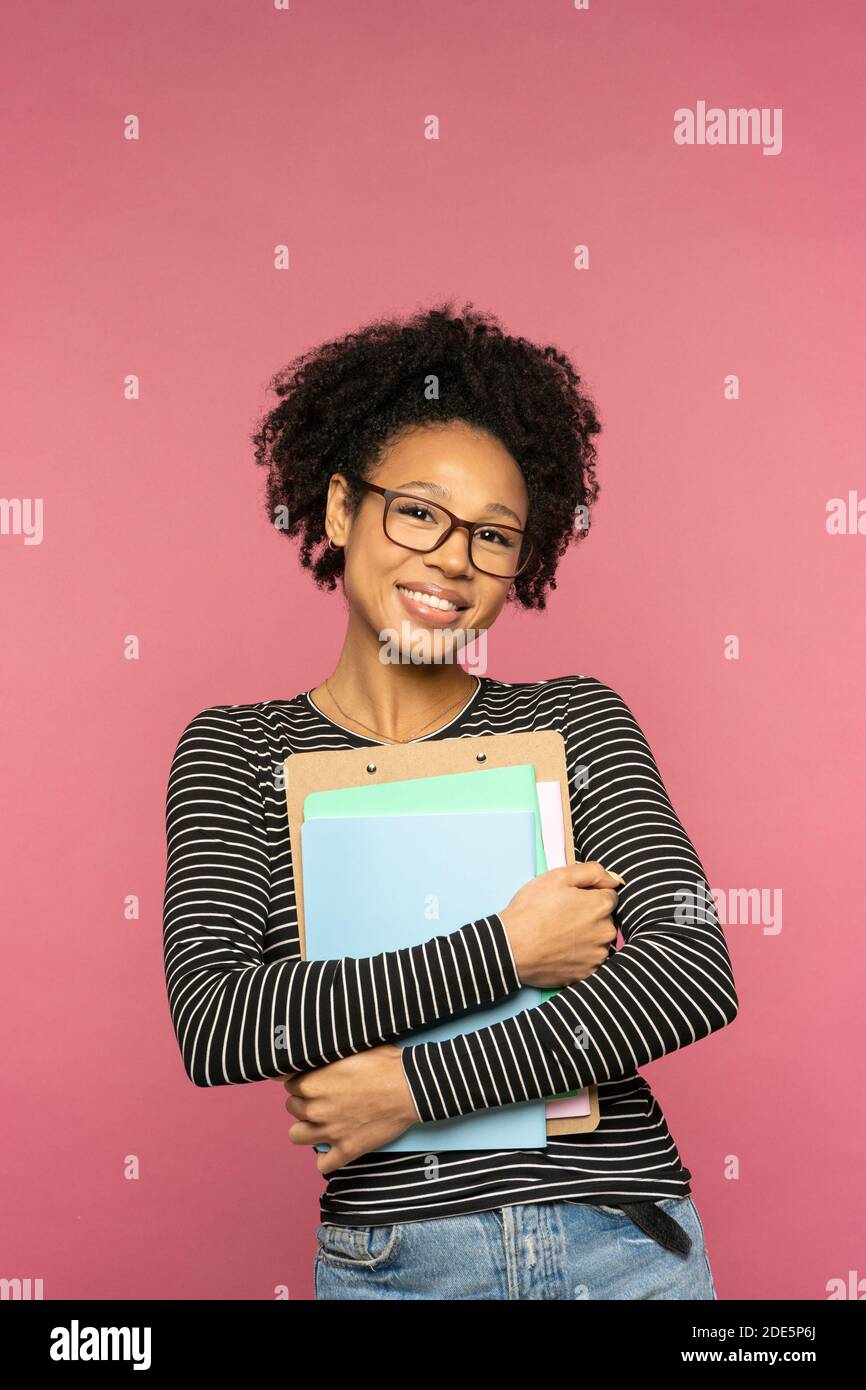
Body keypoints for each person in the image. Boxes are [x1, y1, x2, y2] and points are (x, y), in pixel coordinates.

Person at [161, 302, 739, 1300]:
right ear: (342, 510)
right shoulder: (237, 749)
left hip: (623, 1242)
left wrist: (411, 1088)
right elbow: (220, 1020)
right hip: (396, 1265)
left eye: (492, 535)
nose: (452, 559)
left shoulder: (576, 721)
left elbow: (689, 970)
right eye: (419, 512)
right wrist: (508, 949)